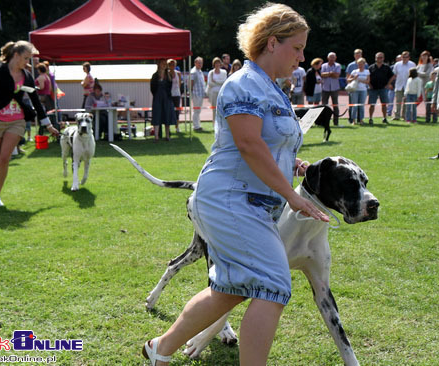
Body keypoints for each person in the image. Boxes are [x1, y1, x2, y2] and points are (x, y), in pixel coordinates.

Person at [141, 4, 328, 366]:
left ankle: (159, 349)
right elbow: (248, 145)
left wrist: (293, 164)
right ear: (272, 43)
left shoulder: (272, 88)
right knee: (273, 285)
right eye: (298, 47)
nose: (302, 57)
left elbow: (269, 146)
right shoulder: (244, 84)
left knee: (229, 289)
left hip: (250, 202)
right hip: (230, 200)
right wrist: (292, 196)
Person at [0, 41, 59, 207]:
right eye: (26, 58)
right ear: (15, 55)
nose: (28, 63)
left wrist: (48, 125)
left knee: (5, 158)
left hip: (17, 121)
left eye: (29, 59)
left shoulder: (27, 76)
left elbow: (36, 101)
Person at [150, 59, 176, 141]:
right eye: (162, 63)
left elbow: (170, 87)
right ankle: (156, 137)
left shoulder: (169, 75)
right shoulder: (155, 76)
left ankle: (167, 136)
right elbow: (152, 88)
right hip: (157, 99)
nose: (164, 65)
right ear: (159, 64)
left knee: (167, 116)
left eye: (165, 64)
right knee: (157, 116)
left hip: (167, 99)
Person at [368, 52, 394, 124]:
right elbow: (367, 77)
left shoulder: (386, 67)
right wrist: (369, 84)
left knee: (384, 104)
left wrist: (388, 84)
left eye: (381, 57)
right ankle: (370, 118)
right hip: (373, 89)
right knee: (372, 104)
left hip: (383, 88)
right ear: (375, 58)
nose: (379, 59)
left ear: (383, 58)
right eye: (378, 57)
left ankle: (384, 118)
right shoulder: (371, 67)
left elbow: (393, 76)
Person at [391, 51, 416, 120]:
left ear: (409, 57)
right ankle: (396, 116)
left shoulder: (412, 64)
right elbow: (394, 75)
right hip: (399, 85)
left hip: (408, 86)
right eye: (403, 57)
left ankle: (405, 116)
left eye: (406, 57)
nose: (405, 58)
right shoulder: (397, 64)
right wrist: (390, 83)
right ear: (401, 57)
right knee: (398, 101)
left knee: (406, 102)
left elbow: (414, 76)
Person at [346, 49, 368, 124]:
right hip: (354, 89)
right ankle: (353, 120)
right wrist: (354, 78)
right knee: (353, 106)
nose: (360, 65)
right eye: (359, 64)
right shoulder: (352, 68)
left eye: (362, 64)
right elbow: (348, 79)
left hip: (363, 90)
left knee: (361, 106)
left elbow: (368, 81)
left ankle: (361, 120)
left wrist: (360, 80)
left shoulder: (367, 70)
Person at [321, 52, 341, 125]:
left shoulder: (338, 65)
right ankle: (324, 122)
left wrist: (327, 74)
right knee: (324, 106)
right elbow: (322, 75)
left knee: (335, 105)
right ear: (328, 58)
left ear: (335, 58)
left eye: (333, 57)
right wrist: (331, 73)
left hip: (335, 88)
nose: (332, 59)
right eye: (330, 57)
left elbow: (337, 75)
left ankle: (336, 122)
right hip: (325, 88)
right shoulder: (323, 65)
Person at [207, 57, 228, 122]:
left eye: (218, 63)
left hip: (221, 93)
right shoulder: (211, 72)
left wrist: (215, 81)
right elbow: (210, 83)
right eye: (216, 63)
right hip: (213, 93)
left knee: (221, 109)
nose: (217, 64)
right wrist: (219, 82)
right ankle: (214, 123)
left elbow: (224, 81)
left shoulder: (224, 72)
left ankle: (221, 123)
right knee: (214, 109)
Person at [190, 57, 205, 132]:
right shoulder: (193, 71)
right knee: (196, 111)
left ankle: (198, 125)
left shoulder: (200, 71)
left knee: (198, 111)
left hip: (200, 94)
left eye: (201, 63)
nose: (200, 64)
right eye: (199, 63)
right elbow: (191, 83)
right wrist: (192, 93)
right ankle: (196, 126)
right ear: (195, 63)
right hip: (196, 94)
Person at [168, 59, 182, 132]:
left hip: (176, 94)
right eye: (170, 65)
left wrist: (177, 91)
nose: (172, 66)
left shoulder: (178, 73)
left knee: (177, 111)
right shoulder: (167, 73)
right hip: (169, 95)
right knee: (169, 111)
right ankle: (169, 127)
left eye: (173, 65)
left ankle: (177, 127)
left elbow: (179, 84)